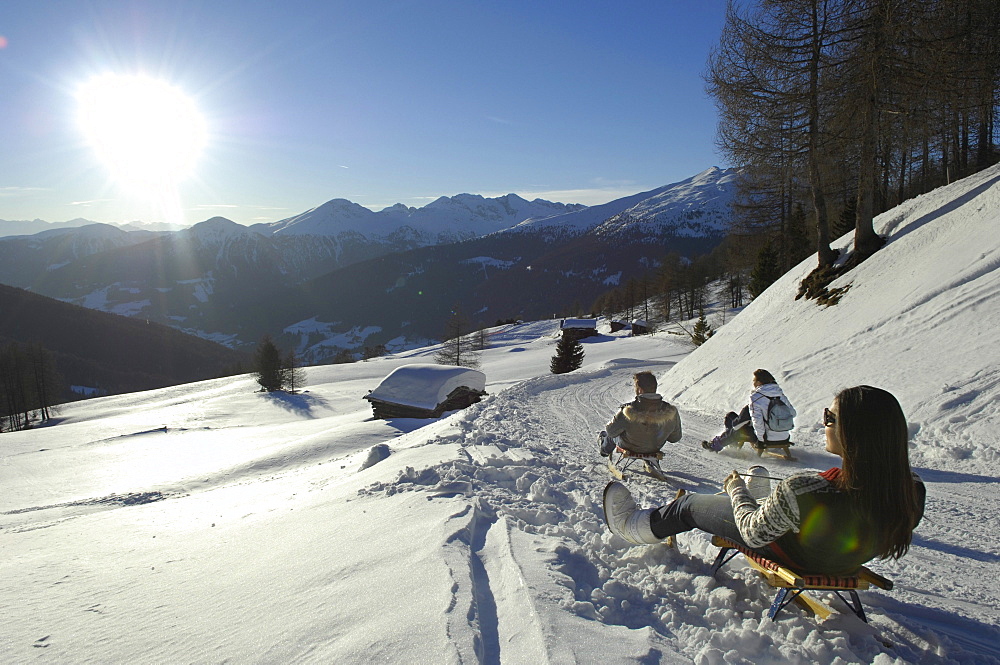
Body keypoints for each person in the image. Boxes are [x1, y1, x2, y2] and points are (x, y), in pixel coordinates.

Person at [605, 385, 925, 575]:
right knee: (767, 500)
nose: (823, 421)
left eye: (830, 417)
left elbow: (752, 531)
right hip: (837, 559)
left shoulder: (804, 489)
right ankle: (765, 500)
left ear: (854, 432)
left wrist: (736, 490)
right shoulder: (909, 490)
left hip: (788, 550)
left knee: (687, 505)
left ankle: (632, 525)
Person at [702, 369, 796, 452]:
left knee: (735, 428)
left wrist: (761, 441)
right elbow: (793, 413)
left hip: (765, 439)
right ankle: (727, 443)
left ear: (759, 383)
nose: (753, 383)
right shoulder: (780, 395)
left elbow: (755, 422)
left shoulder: (756, 397)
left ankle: (715, 446)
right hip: (784, 437)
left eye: (754, 381)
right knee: (736, 419)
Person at [599, 371, 682, 457]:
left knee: (610, 433)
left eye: (635, 386)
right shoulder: (670, 411)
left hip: (630, 447)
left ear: (640, 389)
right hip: (655, 448)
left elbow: (611, 431)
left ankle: (604, 450)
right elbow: (675, 438)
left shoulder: (629, 410)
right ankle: (650, 462)